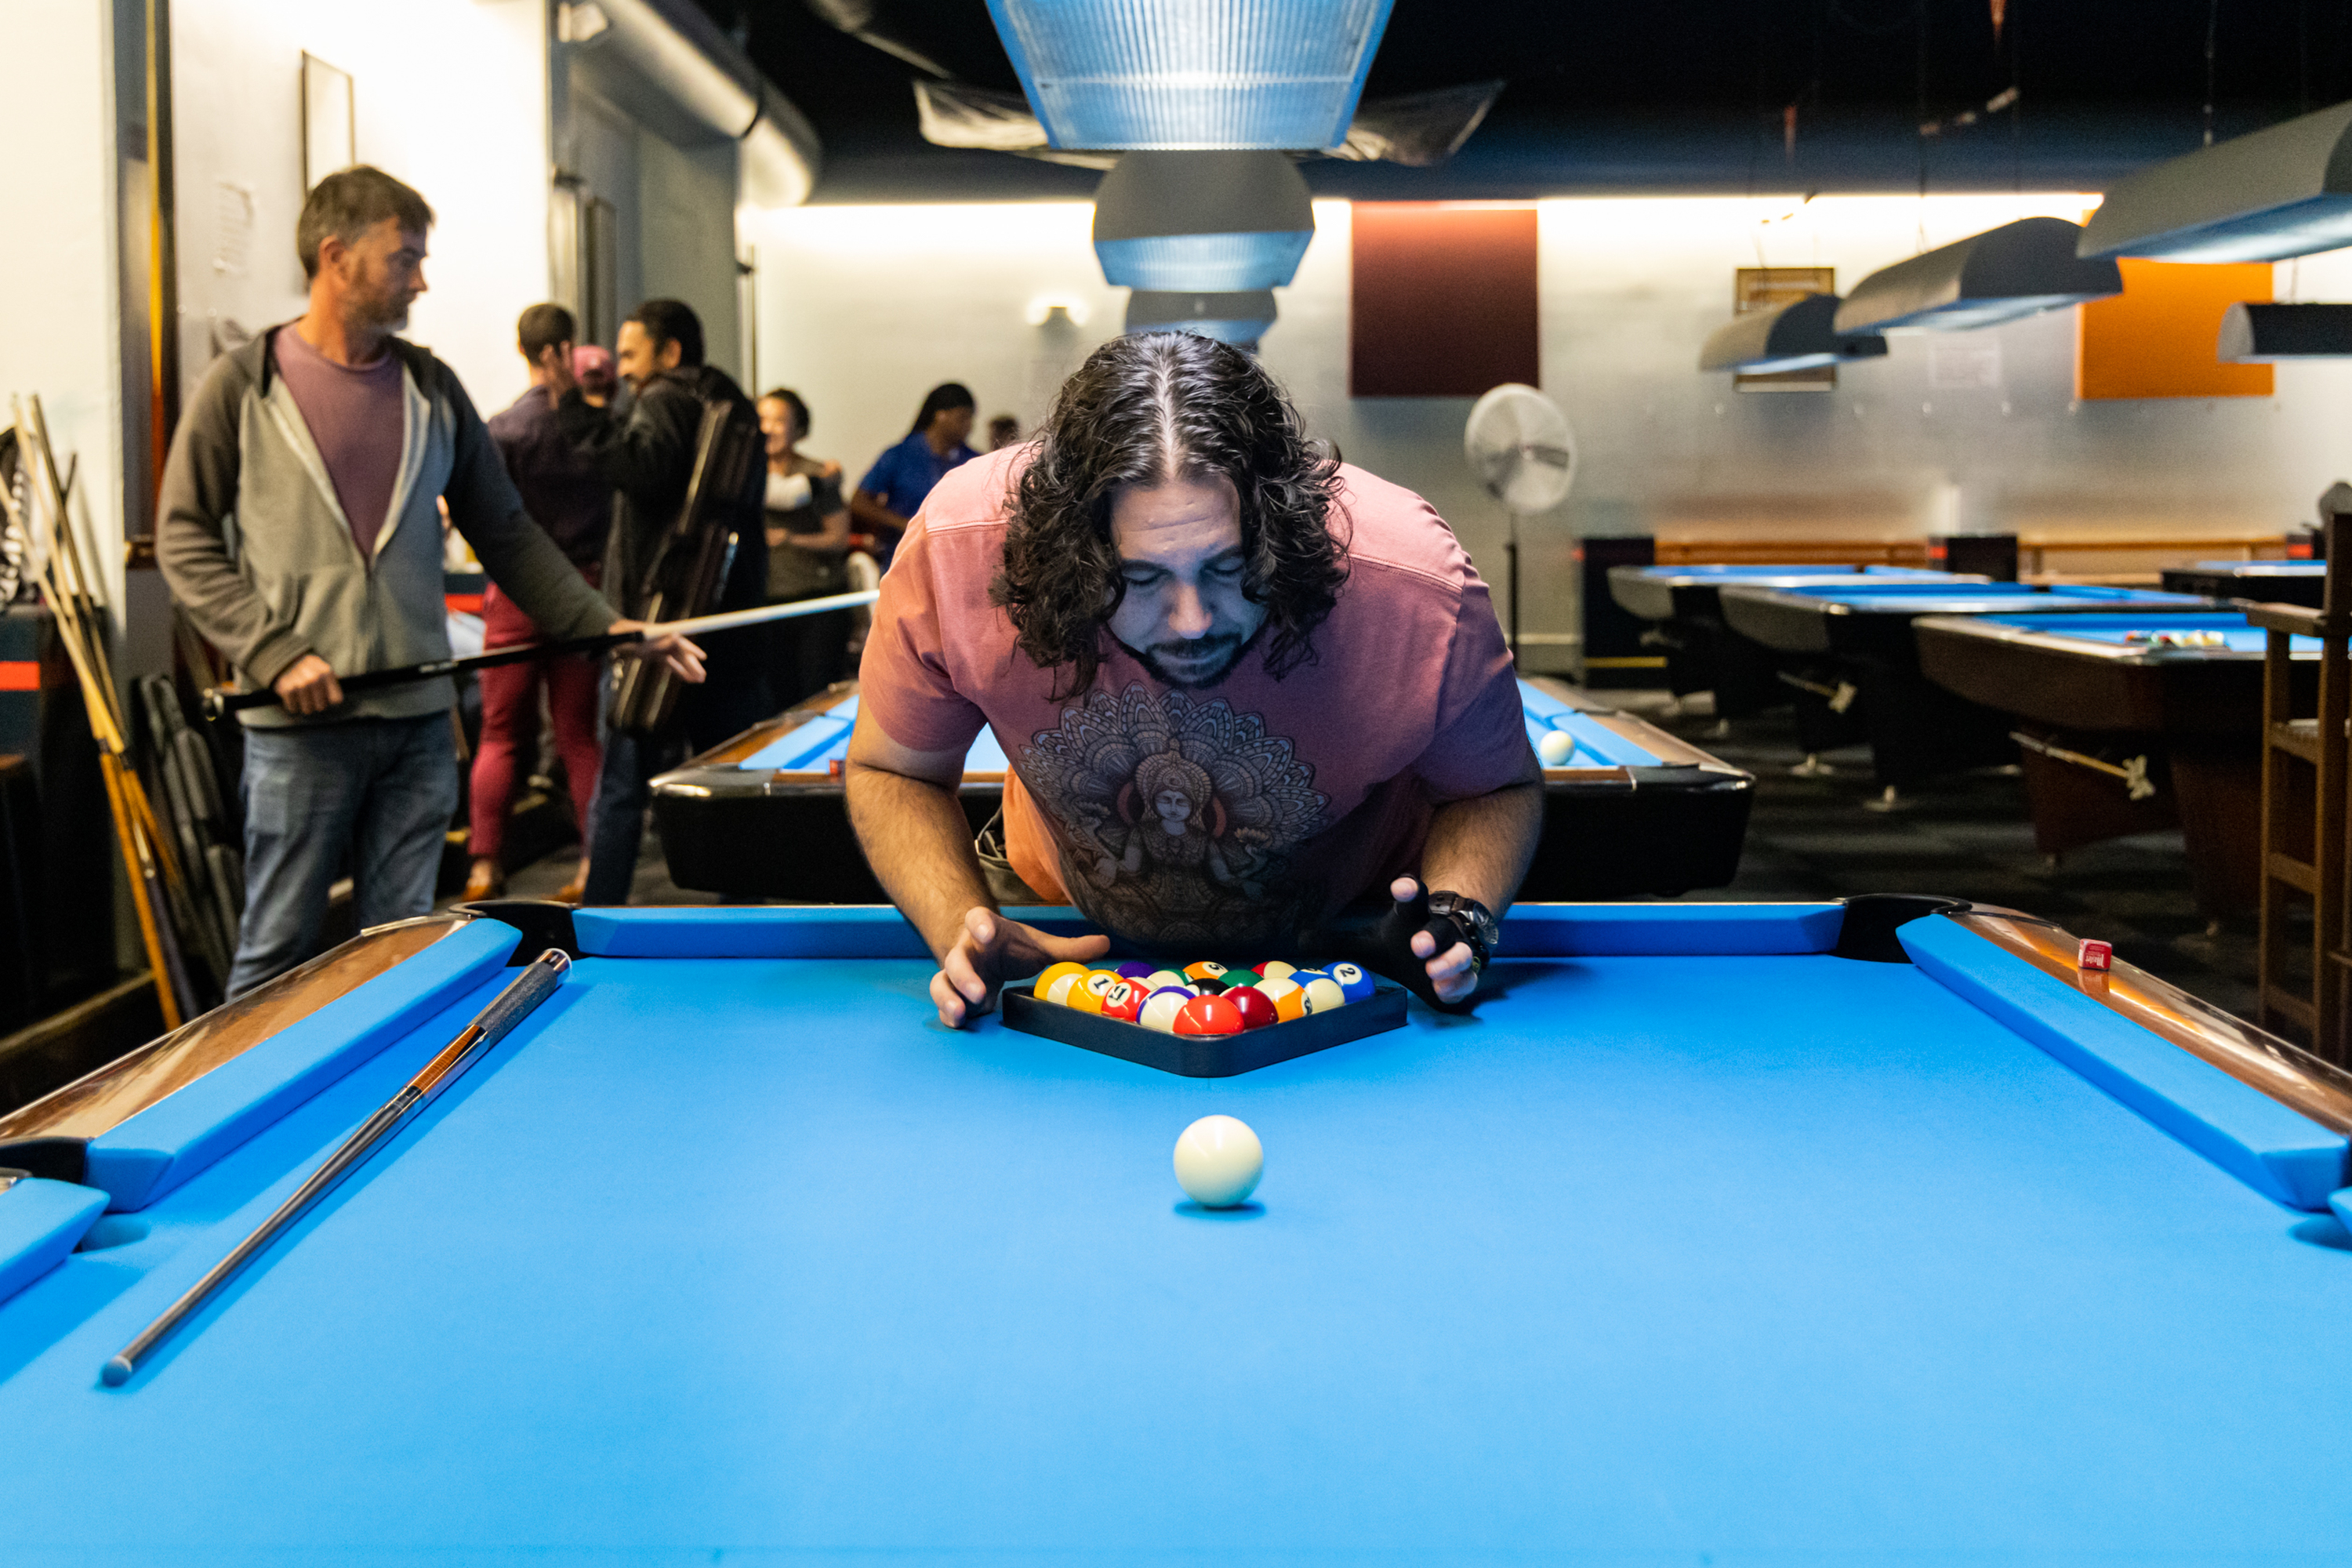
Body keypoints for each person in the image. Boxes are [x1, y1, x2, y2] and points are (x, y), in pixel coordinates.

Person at [843, 332, 1541, 1029]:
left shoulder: (1416, 588)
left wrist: (1455, 914)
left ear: (1284, 527)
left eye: (1226, 567)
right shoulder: (963, 547)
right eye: (1140, 578)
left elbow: (1495, 787)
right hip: (1049, 923)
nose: (1191, 620)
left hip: (1353, 940)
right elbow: (893, 770)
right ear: (1071, 554)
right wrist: (963, 927)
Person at [156, 167, 702, 995]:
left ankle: (382, 1118)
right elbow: (183, 537)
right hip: (299, 726)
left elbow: (509, 534)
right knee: (275, 954)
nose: (421, 278)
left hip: (417, 726)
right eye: (404, 257)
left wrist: (610, 627)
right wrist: (273, 651)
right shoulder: (243, 383)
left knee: (401, 951)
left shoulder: (430, 387)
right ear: (335, 256)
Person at [543, 298, 772, 906]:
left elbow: (643, 469)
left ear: (669, 353)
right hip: (725, 621)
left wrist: (574, 409)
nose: (621, 369)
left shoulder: (664, 398)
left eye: (630, 354)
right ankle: (744, 912)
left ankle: (601, 915)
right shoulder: (731, 406)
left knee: (622, 785)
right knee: (729, 782)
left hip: (661, 625)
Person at [464, 302, 613, 904]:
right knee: (579, 735)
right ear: (565, 348)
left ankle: (483, 865)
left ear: (522, 349)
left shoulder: (500, 430)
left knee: (501, 735)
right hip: (581, 590)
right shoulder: (593, 428)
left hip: (515, 594)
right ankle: (593, 866)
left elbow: (483, 518)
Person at [757, 388, 855, 708]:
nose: (768, 427)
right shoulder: (742, 474)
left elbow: (839, 538)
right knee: (776, 701)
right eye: (762, 419)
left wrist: (790, 539)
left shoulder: (820, 474)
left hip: (817, 603)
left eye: (779, 420)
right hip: (765, 605)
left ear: (799, 429)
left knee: (816, 700)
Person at [850, 382, 977, 568]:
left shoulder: (973, 461)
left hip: (955, 562)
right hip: (903, 560)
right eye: (962, 418)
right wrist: (905, 524)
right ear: (940, 416)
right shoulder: (900, 456)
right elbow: (859, 502)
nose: (969, 426)